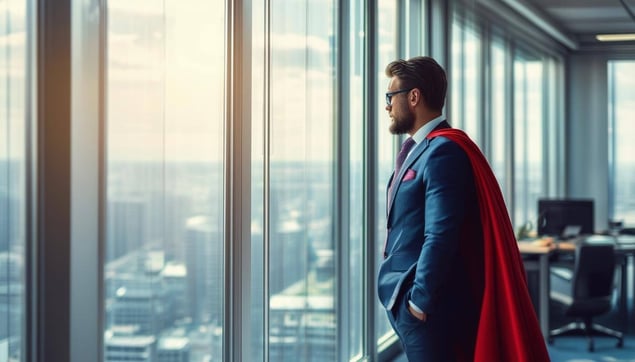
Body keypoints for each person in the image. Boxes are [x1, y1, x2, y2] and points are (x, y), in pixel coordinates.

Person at [377, 56, 549, 361]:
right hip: (409, 300)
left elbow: (441, 234)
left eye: (391, 96)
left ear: (414, 97)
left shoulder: (444, 150)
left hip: (430, 308)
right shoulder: (424, 150)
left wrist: (418, 303)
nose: (387, 106)